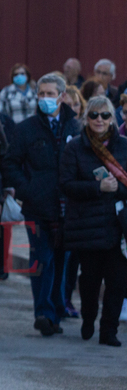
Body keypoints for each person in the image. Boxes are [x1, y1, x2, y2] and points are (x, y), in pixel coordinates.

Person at [1, 71, 80, 337]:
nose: (45, 98)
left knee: (62, 261)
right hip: (38, 205)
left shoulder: (75, 127)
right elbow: (10, 163)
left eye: (50, 93)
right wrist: (27, 189)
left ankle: (57, 310)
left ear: (62, 96)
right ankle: (43, 313)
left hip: (68, 208)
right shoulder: (27, 129)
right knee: (42, 259)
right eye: (42, 93)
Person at [60, 95, 127, 346]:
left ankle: (109, 331)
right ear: (86, 118)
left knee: (117, 283)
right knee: (89, 282)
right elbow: (66, 185)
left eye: (105, 115)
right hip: (86, 226)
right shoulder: (75, 147)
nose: (99, 120)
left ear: (113, 118)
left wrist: (115, 190)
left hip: (118, 226)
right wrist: (98, 187)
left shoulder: (124, 146)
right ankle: (88, 319)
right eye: (94, 115)